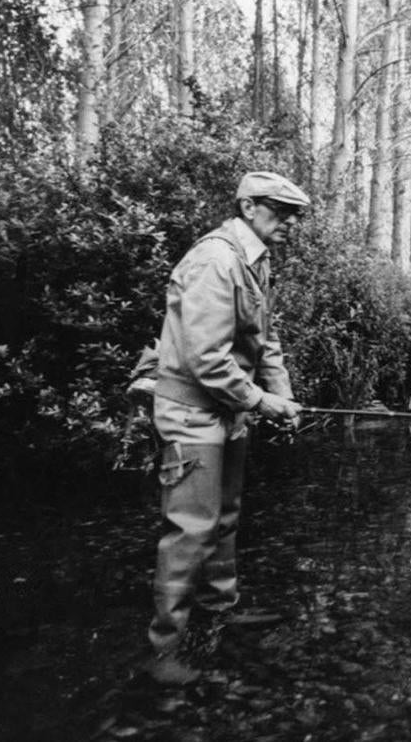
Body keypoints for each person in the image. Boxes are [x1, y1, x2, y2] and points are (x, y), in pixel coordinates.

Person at [145, 171, 308, 685]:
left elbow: (267, 338)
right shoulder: (216, 260)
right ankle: (163, 652)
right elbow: (206, 359)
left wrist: (279, 394)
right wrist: (261, 401)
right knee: (189, 531)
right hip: (191, 411)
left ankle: (218, 615)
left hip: (228, 411)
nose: (289, 222)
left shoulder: (256, 259)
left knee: (226, 518)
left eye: (293, 214)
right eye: (279, 211)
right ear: (247, 207)